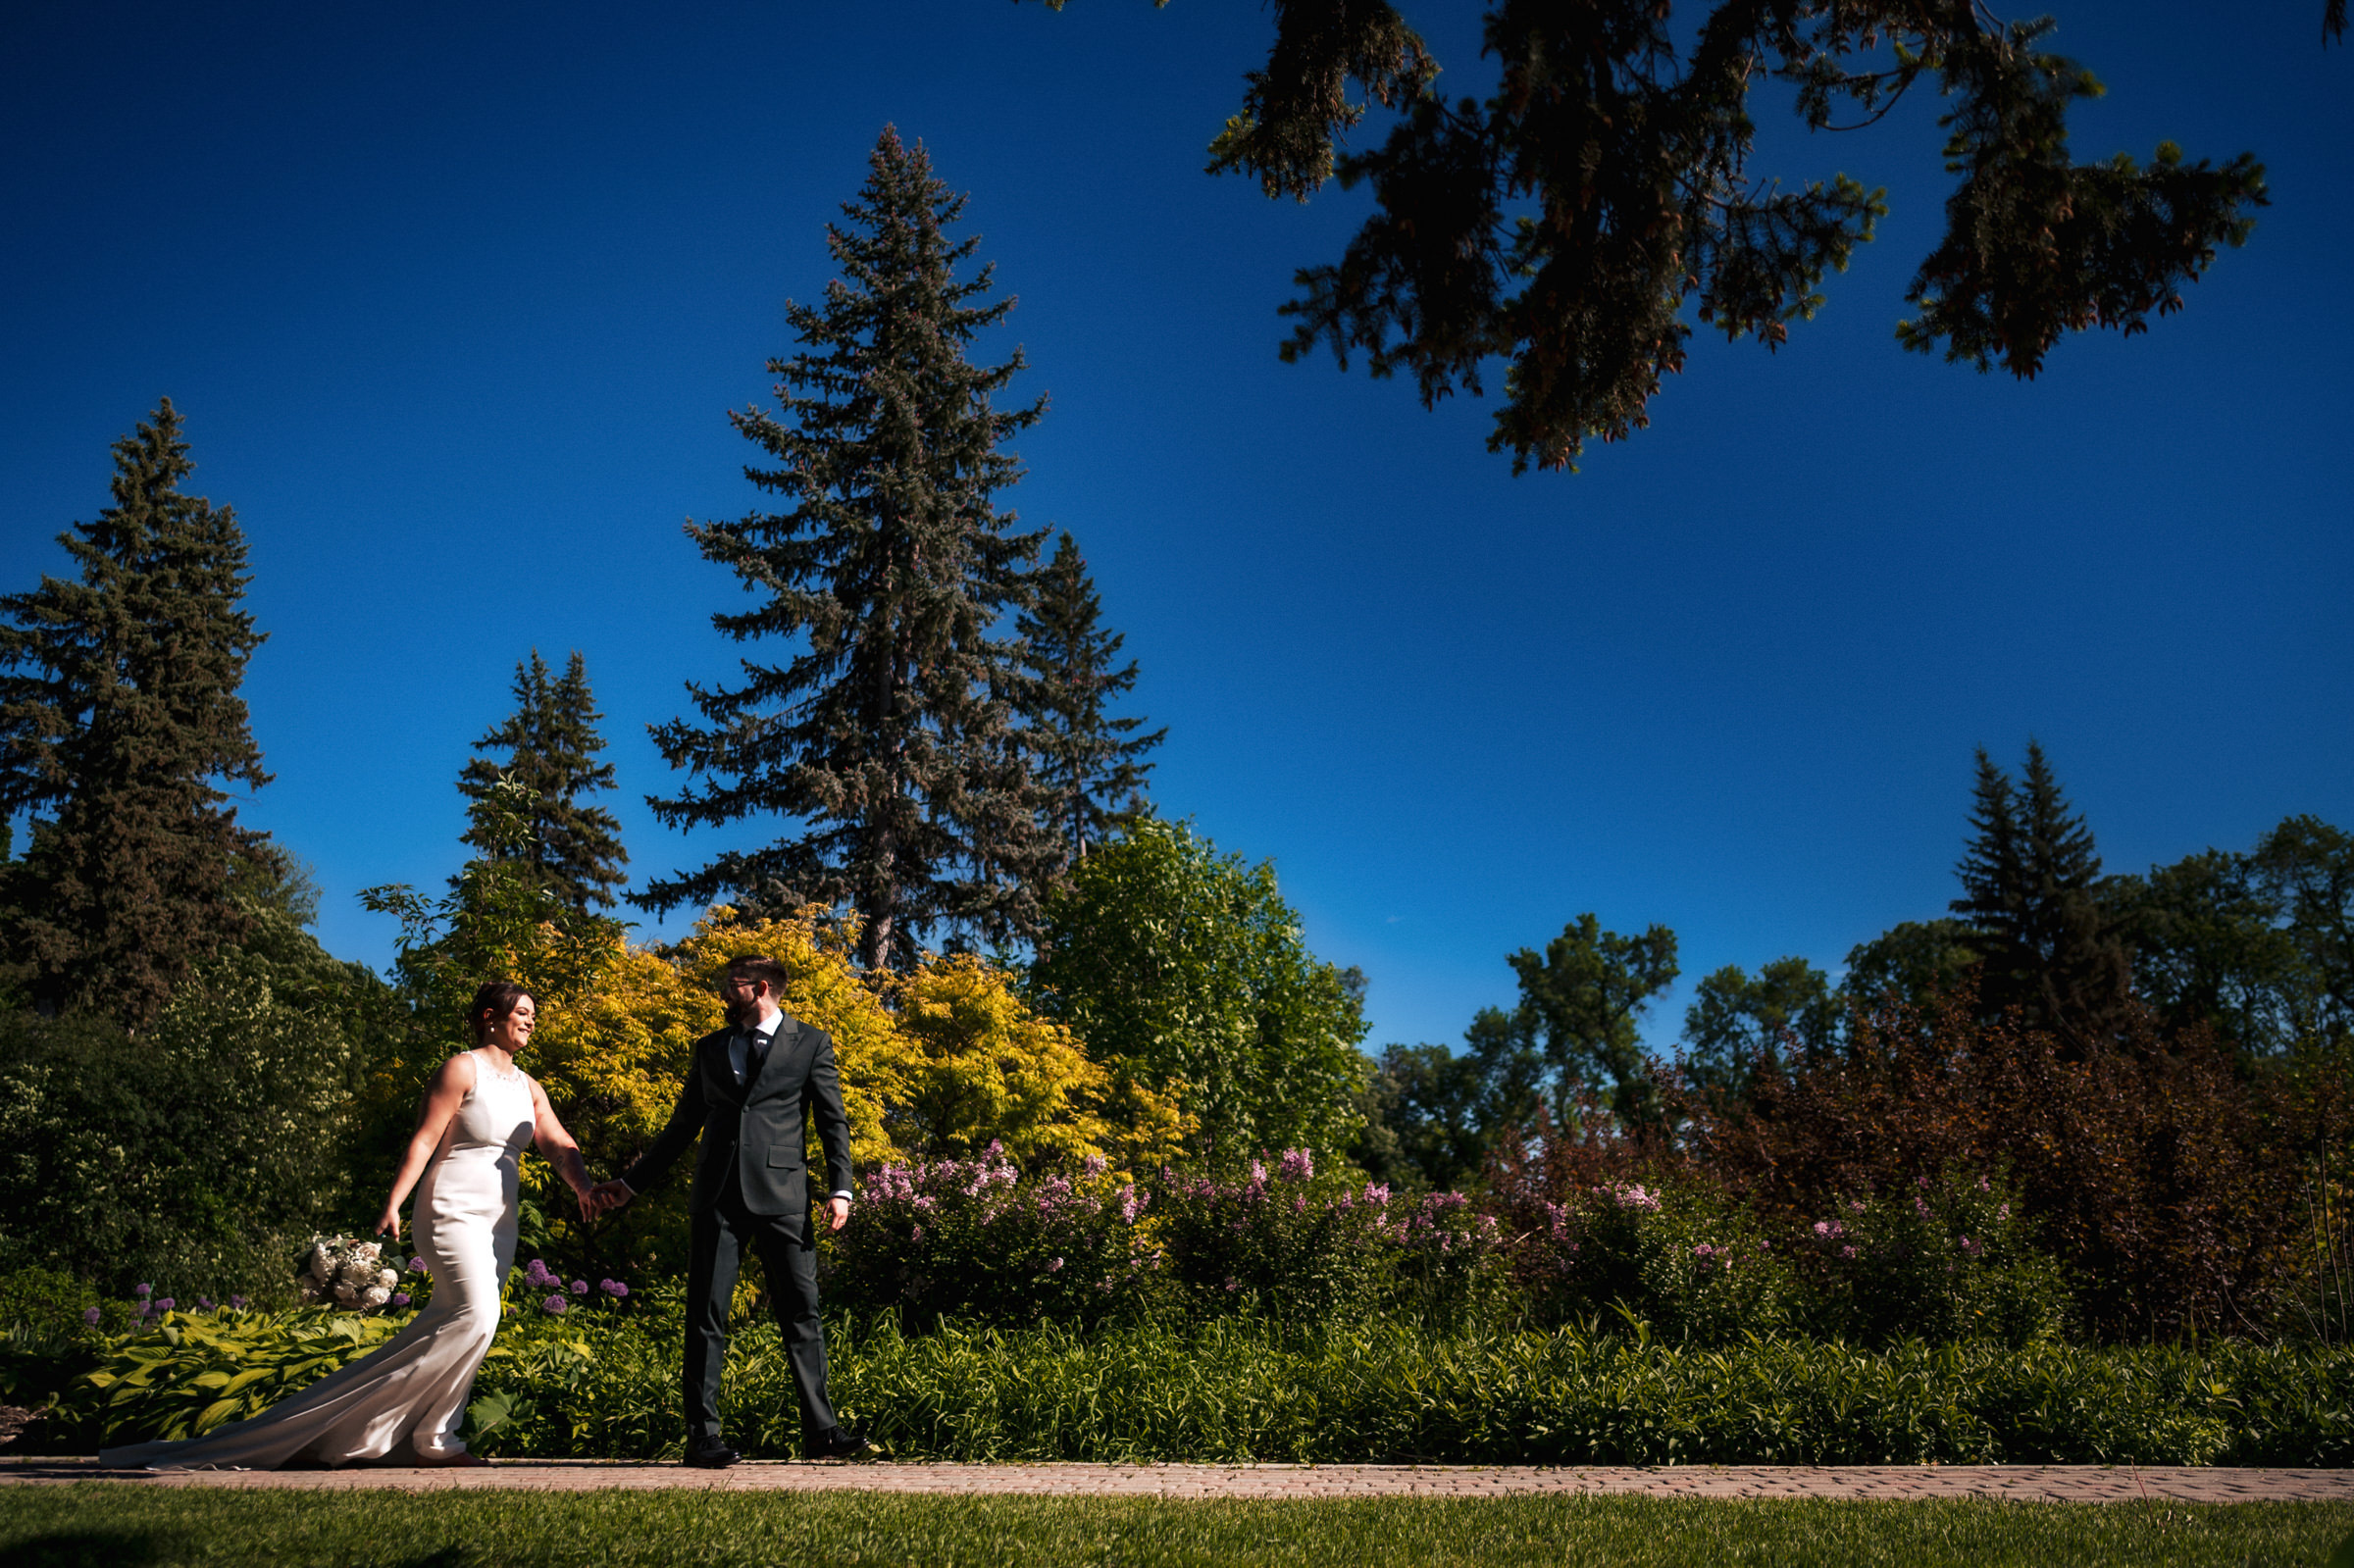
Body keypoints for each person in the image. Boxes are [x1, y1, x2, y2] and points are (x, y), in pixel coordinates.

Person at [99, 981, 598, 1470]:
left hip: (498, 1222)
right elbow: (424, 1140)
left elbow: (557, 1143)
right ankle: (419, 1436)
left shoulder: (529, 1087)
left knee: (472, 1326)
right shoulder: (460, 1069)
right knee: (478, 1314)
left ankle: (432, 1435)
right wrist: (394, 1203)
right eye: (522, 1011)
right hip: (451, 1208)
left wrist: (583, 1186)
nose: (531, 1019)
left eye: (534, 1013)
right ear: (490, 1015)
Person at [588, 954, 866, 1465]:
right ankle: (703, 1437)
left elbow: (833, 1120)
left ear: (759, 988)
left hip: (784, 1196)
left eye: (728, 985)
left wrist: (840, 1189)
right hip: (716, 1195)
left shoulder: (811, 1043)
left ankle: (822, 1431)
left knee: (801, 1312)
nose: (721, 993)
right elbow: (681, 1126)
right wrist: (632, 1183)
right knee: (707, 1315)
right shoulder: (711, 1048)